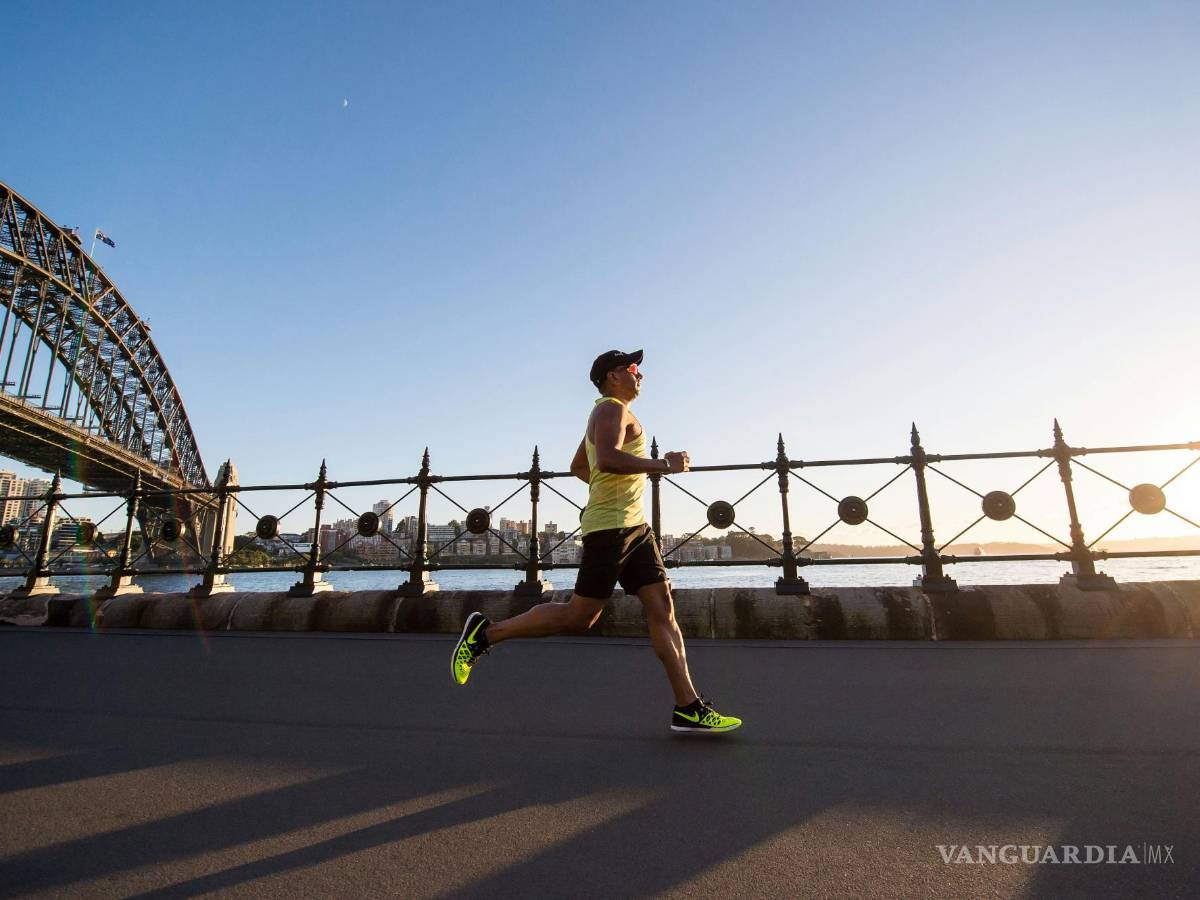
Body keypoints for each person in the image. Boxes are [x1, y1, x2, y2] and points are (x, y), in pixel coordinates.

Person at [451, 349, 742, 734]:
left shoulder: (614, 412)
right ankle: (484, 633)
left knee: (663, 607)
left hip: (635, 528)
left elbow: (580, 466)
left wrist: (612, 492)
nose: (641, 375)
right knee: (579, 617)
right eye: (633, 368)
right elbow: (605, 459)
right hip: (611, 530)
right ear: (611, 376)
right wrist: (662, 466)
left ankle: (688, 706)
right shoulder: (609, 409)